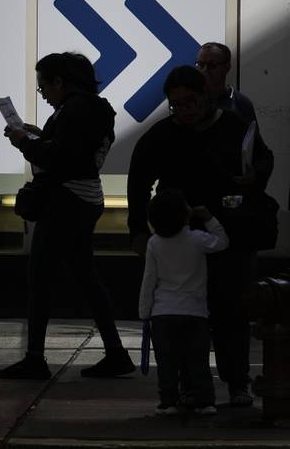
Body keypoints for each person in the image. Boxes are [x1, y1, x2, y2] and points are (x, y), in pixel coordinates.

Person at [128, 65, 274, 406]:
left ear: (206, 96)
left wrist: (254, 175)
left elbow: (262, 158)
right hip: (186, 235)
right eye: (176, 104)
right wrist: (137, 229)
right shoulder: (163, 134)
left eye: (190, 101)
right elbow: (138, 182)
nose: (184, 110)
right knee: (187, 317)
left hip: (229, 229)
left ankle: (235, 381)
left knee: (232, 309)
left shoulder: (234, 125)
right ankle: (193, 384)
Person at [0, 52, 134, 380]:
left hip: (66, 201)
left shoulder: (74, 110)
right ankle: (115, 352)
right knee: (86, 276)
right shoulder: (94, 108)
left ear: (60, 82)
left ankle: (35, 357)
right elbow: (75, 149)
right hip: (85, 197)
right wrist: (37, 134)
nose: (43, 93)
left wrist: (24, 142)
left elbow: (61, 158)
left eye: (43, 86)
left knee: (40, 277)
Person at [139, 190, 229, 415]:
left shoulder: (154, 243)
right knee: (198, 360)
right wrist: (210, 218)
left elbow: (149, 280)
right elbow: (222, 242)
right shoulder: (197, 239)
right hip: (195, 311)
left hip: (163, 312)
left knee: (167, 362)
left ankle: (168, 401)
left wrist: (144, 312)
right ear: (184, 215)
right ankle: (205, 401)